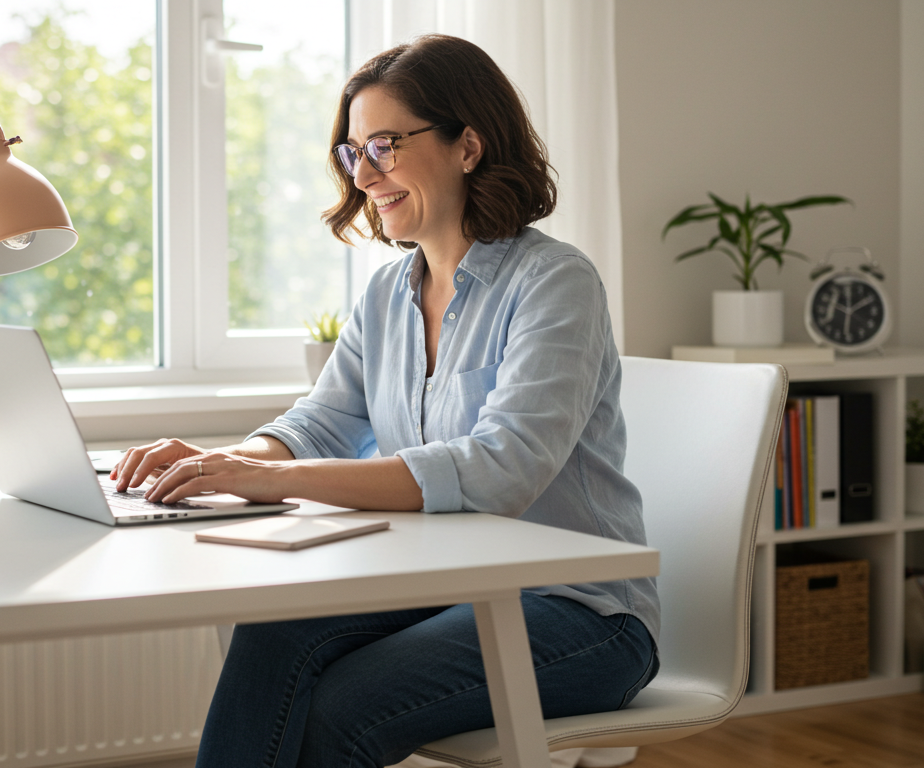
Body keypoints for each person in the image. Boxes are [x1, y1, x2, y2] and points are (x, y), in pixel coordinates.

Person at [110, 34, 659, 768]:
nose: (365, 175)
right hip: (450, 588)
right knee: (273, 633)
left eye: (386, 146)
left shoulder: (556, 283)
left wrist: (270, 481)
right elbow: (325, 420)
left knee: (339, 711)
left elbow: (501, 470)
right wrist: (227, 462)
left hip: (581, 613)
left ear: (469, 145)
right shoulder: (386, 293)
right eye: (353, 153)